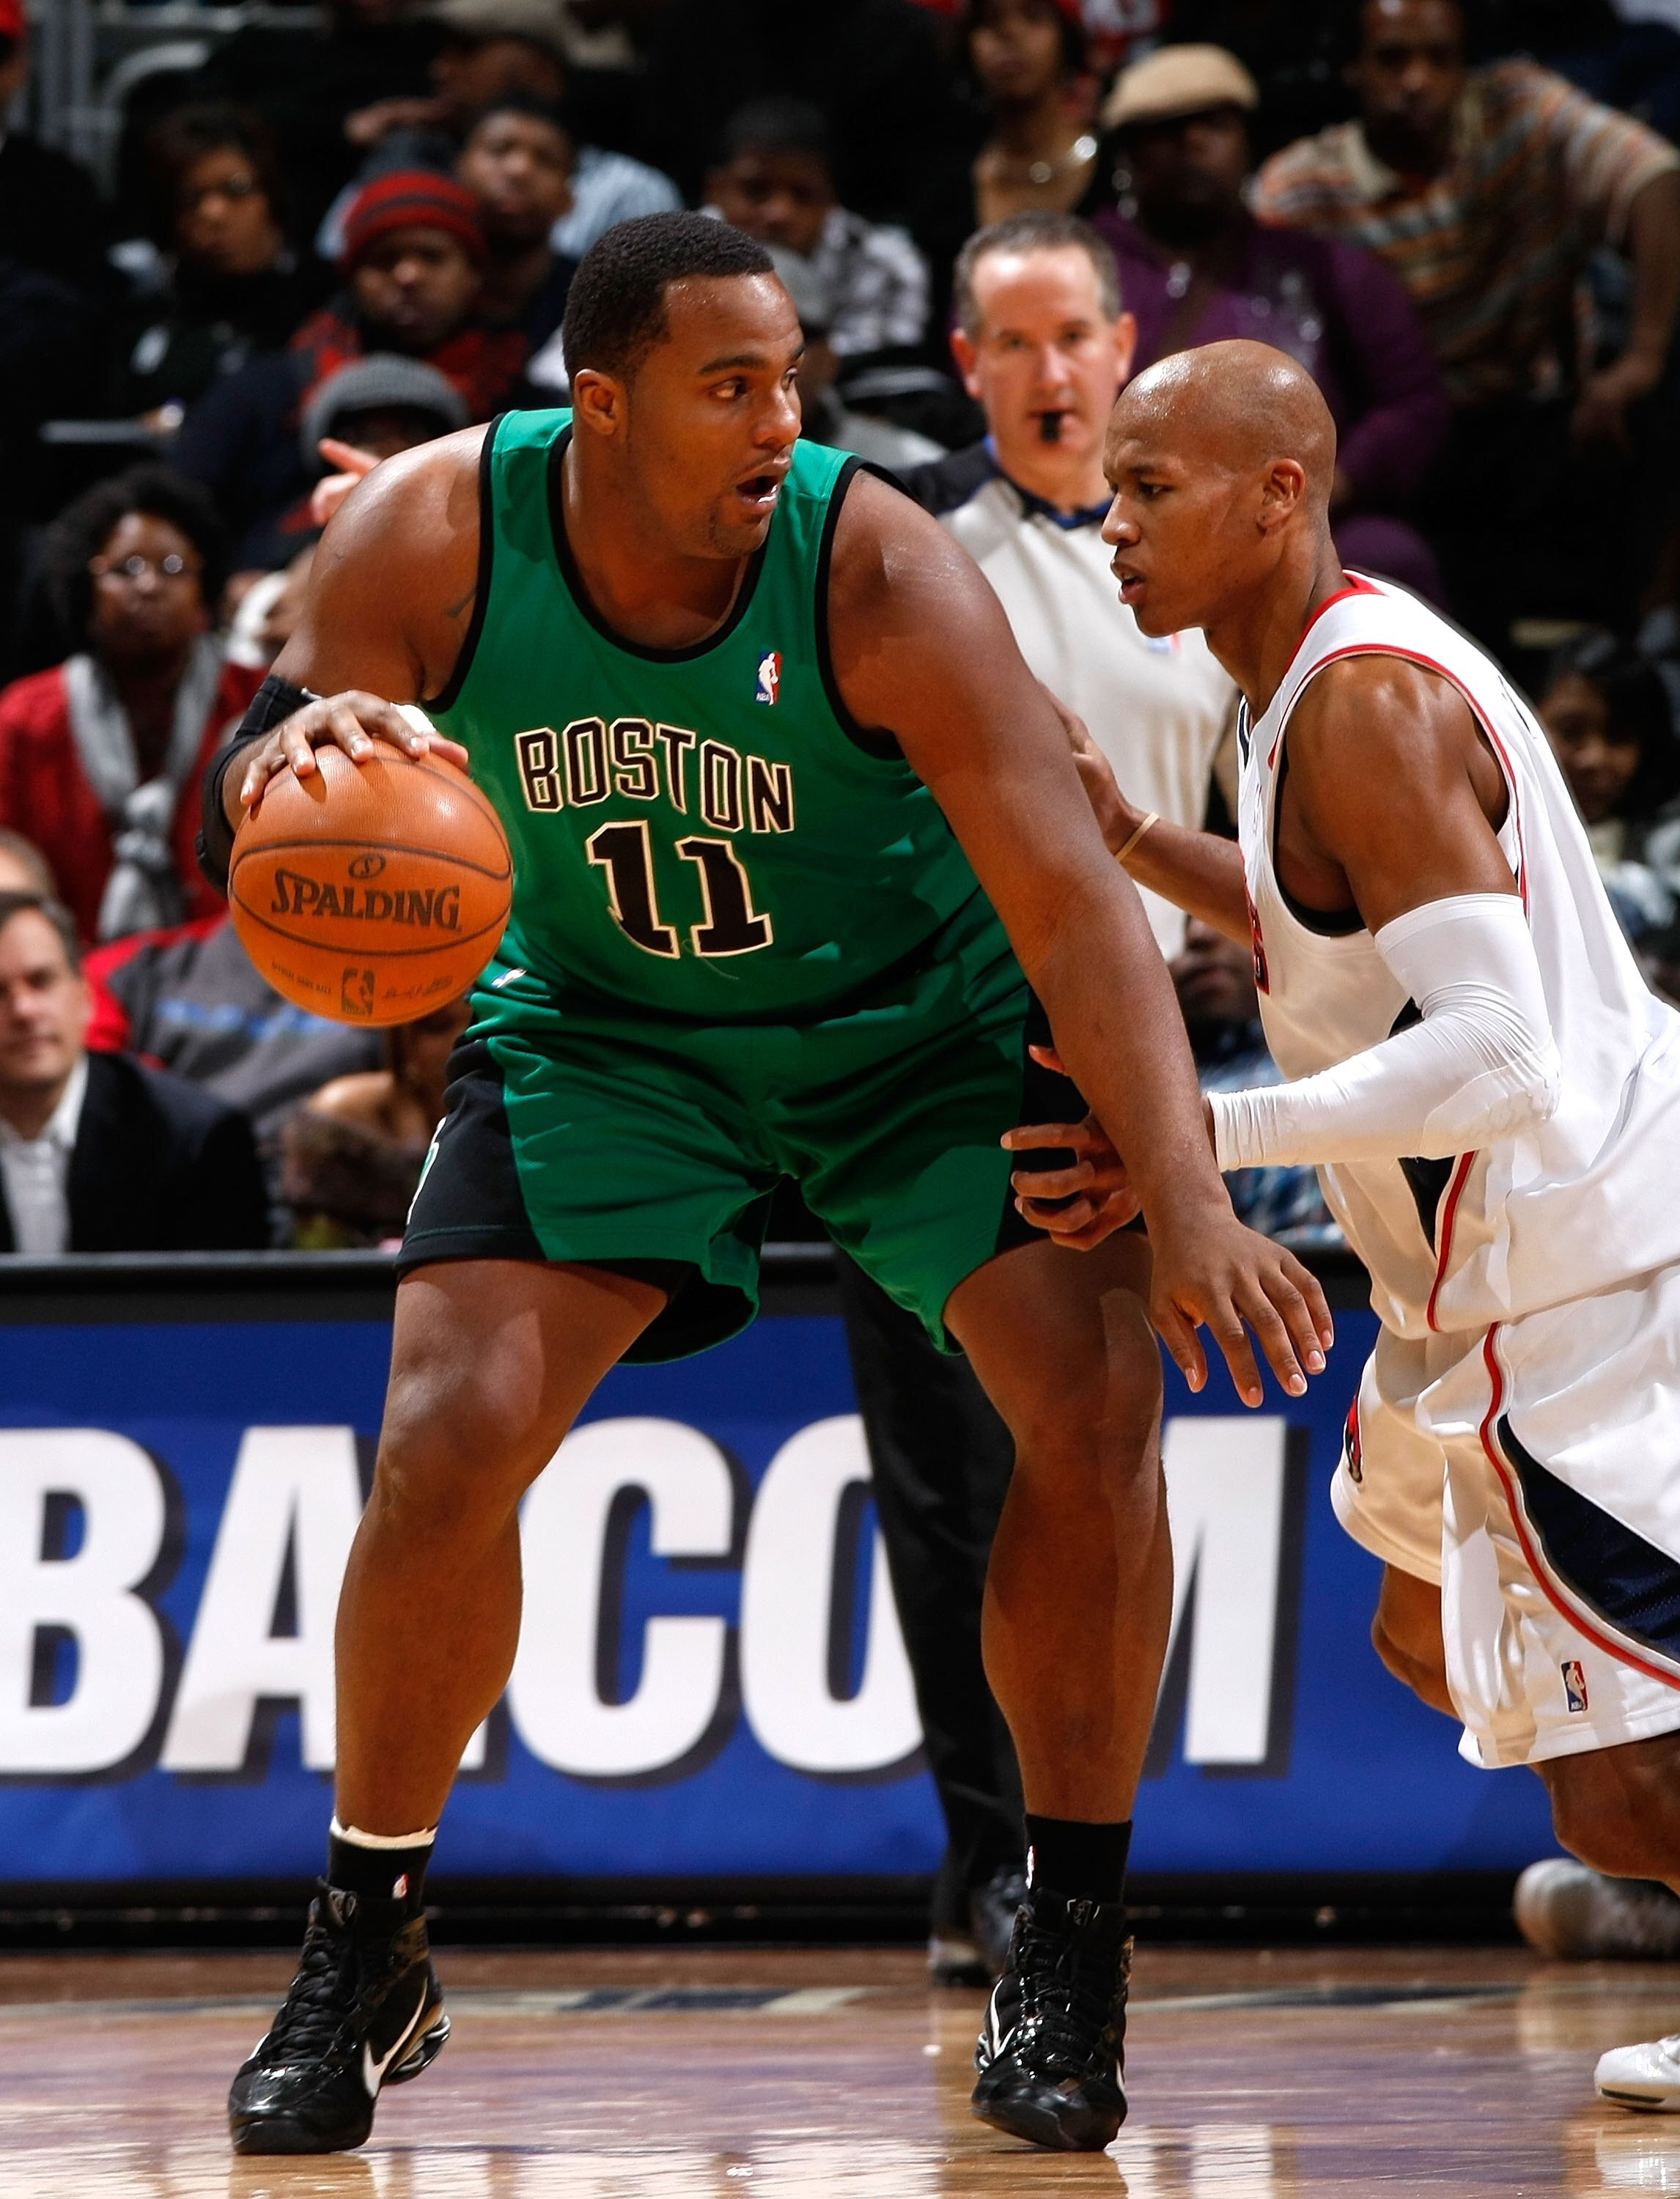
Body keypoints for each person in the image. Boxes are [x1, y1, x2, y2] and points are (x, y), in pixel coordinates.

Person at [202, 211, 1329, 2159]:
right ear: (601, 404)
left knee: (1089, 1408)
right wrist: (283, 764)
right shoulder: (427, 531)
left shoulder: (877, 566)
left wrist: (1188, 1187)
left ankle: (1064, 1935)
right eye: (731, 386)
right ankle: (363, 1935)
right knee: (445, 1434)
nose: (780, 420)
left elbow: (1074, 904)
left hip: (920, 1031)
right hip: (608, 1030)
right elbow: (264, 760)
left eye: (790, 378)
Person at [1011, 336, 1680, 2112]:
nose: (1111, 522)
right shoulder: (1291, 688)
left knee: (1619, 1786)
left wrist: (1192, 1138)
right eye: (1112, 490)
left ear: (1278, 493)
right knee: (1414, 1627)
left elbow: (1501, 1056)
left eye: (1151, 489)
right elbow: (1329, 926)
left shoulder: (1366, 703)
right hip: (1459, 1281)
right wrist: (1131, 834)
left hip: (1572, 1263)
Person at [1250, 0, 1680, 651]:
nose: (1416, 80)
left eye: (1439, 58)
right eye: (1393, 59)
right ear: (1353, 69)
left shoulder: (1518, 110)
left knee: (1652, 408)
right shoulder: (1304, 188)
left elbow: (1653, 176)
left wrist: (1642, 357)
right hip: (1408, 428)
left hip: (1536, 402)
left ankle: (1645, 638)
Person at [906, 211, 1236, 956]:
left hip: (1163, 1004)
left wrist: (1253, 944)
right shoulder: (903, 536)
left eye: (1073, 337)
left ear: (1120, 345)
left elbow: (1272, 820)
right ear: (968, 360)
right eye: (1015, 344)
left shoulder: (1206, 552)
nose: (1050, 376)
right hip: (967, 1004)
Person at [1094, 43, 1448, 601]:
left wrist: (1326, 487)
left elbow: (1413, 399)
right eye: (1167, 129)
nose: (1193, 143)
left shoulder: (1322, 267)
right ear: (1127, 151)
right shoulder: (1079, 269)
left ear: (1245, 139)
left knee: (1389, 559)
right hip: (1121, 523)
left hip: (1294, 522)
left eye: (1214, 123)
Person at [175, 172, 525, 567]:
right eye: (384, 260)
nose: (408, 275)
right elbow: (181, 506)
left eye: (432, 256)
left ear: (474, 273)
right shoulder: (265, 390)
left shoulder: (522, 404)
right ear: (352, 277)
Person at [0, 468, 258, 943]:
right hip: (71, 963)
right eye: (125, 569)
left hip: (229, 962)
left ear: (205, 586)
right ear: (84, 587)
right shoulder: (24, 716)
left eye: (172, 567)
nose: (149, 586)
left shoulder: (256, 698)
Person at [0, 891, 268, 1255]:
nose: (24, 1009)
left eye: (41, 981)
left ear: (85, 995)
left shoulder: (196, 1141)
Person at [326, 0, 679, 265]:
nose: (441, 69)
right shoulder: (408, 158)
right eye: (498, 151)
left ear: (538, 66)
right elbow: (336, 255)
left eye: (467, 48)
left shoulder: (628, 191)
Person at [110, 106, 323, 424]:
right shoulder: (146, 321)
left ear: (273, 196)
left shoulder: (323, 303)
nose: (213, 213)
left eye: (236, 190)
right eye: (189, 199)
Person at [704, 99, 931, 366]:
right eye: (756, 190)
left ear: (831, 200)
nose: (779, 213)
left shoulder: (888, 263)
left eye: (803, 194)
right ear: (716, 189)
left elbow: (895, 352)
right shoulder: (679, 256)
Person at [1171, 916, 1339, 1244]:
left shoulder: (1344, 1046)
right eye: (1188, 928)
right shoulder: (1161, 1093)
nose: (1199, 935)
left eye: (1215, 916)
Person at [281, 998, 474, 1246]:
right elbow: (317, 1258)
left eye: (480, 1022)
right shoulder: (342, 1118)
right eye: (438, 1026)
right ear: (402, 1038)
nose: (464, 1040)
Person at [1533, 630, 1680, 944]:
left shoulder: (1668, 857)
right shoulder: (1494, 848)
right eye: (1570, 731)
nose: (1594, 759)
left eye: (1618, 736)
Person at [457, 94, 578, 350]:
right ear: (459, 169)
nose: (519, 169)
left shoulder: (591, 300)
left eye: (545, 159)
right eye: (499, 150)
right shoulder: (419, 283)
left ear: (569, 198)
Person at [966, 0, 1101, 228]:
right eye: (989, 19)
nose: (1010, 32)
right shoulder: (943, 183)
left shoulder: (1120, 169)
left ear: (1066, 36)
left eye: (1034, 15)